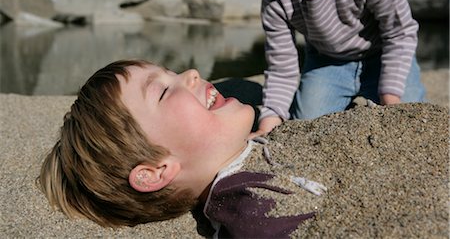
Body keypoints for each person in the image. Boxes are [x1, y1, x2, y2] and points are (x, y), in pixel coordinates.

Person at [38, 59, 326, 238]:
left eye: (170, 72)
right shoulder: (251, 210)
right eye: (162, 91)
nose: (191, 73)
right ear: (155, 172)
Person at [224, 0, 426, 137]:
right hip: (327, 62)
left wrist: (390, 98)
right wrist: (268, 125)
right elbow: (281, 69)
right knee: (306, 125)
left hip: (383, 56)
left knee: (407, 121)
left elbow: (399, 33)